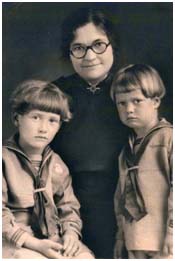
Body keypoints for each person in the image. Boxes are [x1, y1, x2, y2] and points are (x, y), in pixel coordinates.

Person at [51, 7, 128, 258]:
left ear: (112, 45)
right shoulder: (55, 93)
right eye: (79, 48)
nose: (90, 56)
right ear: (69, 52)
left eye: (98, 45)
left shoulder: (131, 91)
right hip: (65, 208)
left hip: (124, 205)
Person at [2, 80, 94, 259]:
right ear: (16, 119)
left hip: (51, 236)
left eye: (52, 121)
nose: (43, 128)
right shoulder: (4, 159)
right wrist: (34, 244)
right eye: (35, 117)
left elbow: (68, 207)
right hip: (12, 239)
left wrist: (70, 235)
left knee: (85, 257)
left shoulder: (58, 165)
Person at [110, 64, 173, 259]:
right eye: (122, 103)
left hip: (165, 240)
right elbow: (121, 195)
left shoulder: (168, 139)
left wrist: (172, 233)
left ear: (155, 101)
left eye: (136, 101)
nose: (129, 109)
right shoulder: (127, 150)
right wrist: (121, 238)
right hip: (135, 239)